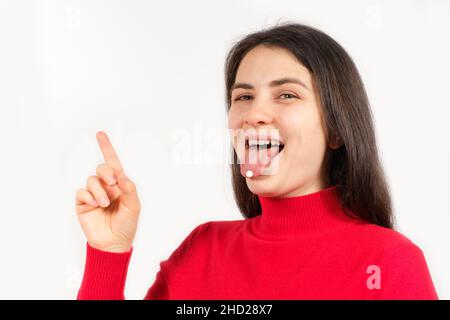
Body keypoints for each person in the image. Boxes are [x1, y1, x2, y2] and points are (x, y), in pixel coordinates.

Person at [75, 23, 438, 299]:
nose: (255, 114)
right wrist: (108, 253)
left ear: (337, 130)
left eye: (286, 94)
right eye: (243, 97)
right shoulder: (203, 250)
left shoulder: (390, 263)